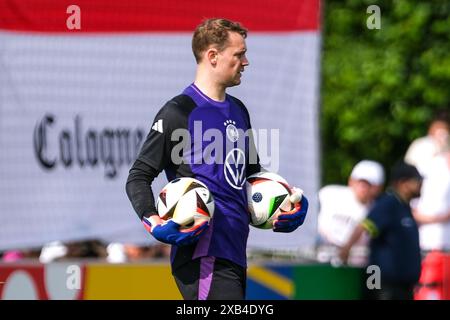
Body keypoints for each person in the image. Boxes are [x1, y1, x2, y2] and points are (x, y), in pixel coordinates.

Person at [125, 18, 308, 300]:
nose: (246, 61)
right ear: (212, 56)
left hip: (234, 251)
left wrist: (285, 205)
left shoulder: (239, 110)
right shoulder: (179, 111)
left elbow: (250, 178)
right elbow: (138, 176)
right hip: (202, 254)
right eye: (239, 54)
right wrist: (154, 222)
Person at [339, 161, 423, 300]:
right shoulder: (388, 203)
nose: (421, 184)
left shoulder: (404, 206)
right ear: (403, 183)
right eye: (417, 180)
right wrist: (346, 250)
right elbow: (364, 226)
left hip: (402, 286)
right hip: (383, 284)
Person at [317, 160, 384, 266]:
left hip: (354, 267)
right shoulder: (329, 194)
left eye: (368, 184)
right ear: (351, 181)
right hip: (321, 259)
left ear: (378, 188)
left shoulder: (377, 209)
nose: (363, 188)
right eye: (360, 182)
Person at [404, 110, 449, 177]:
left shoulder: (447, 145)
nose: (441, 133)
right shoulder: (420, 144)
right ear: (430, 129)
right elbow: (409, 167)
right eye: (437, 128)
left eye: (444, 129)